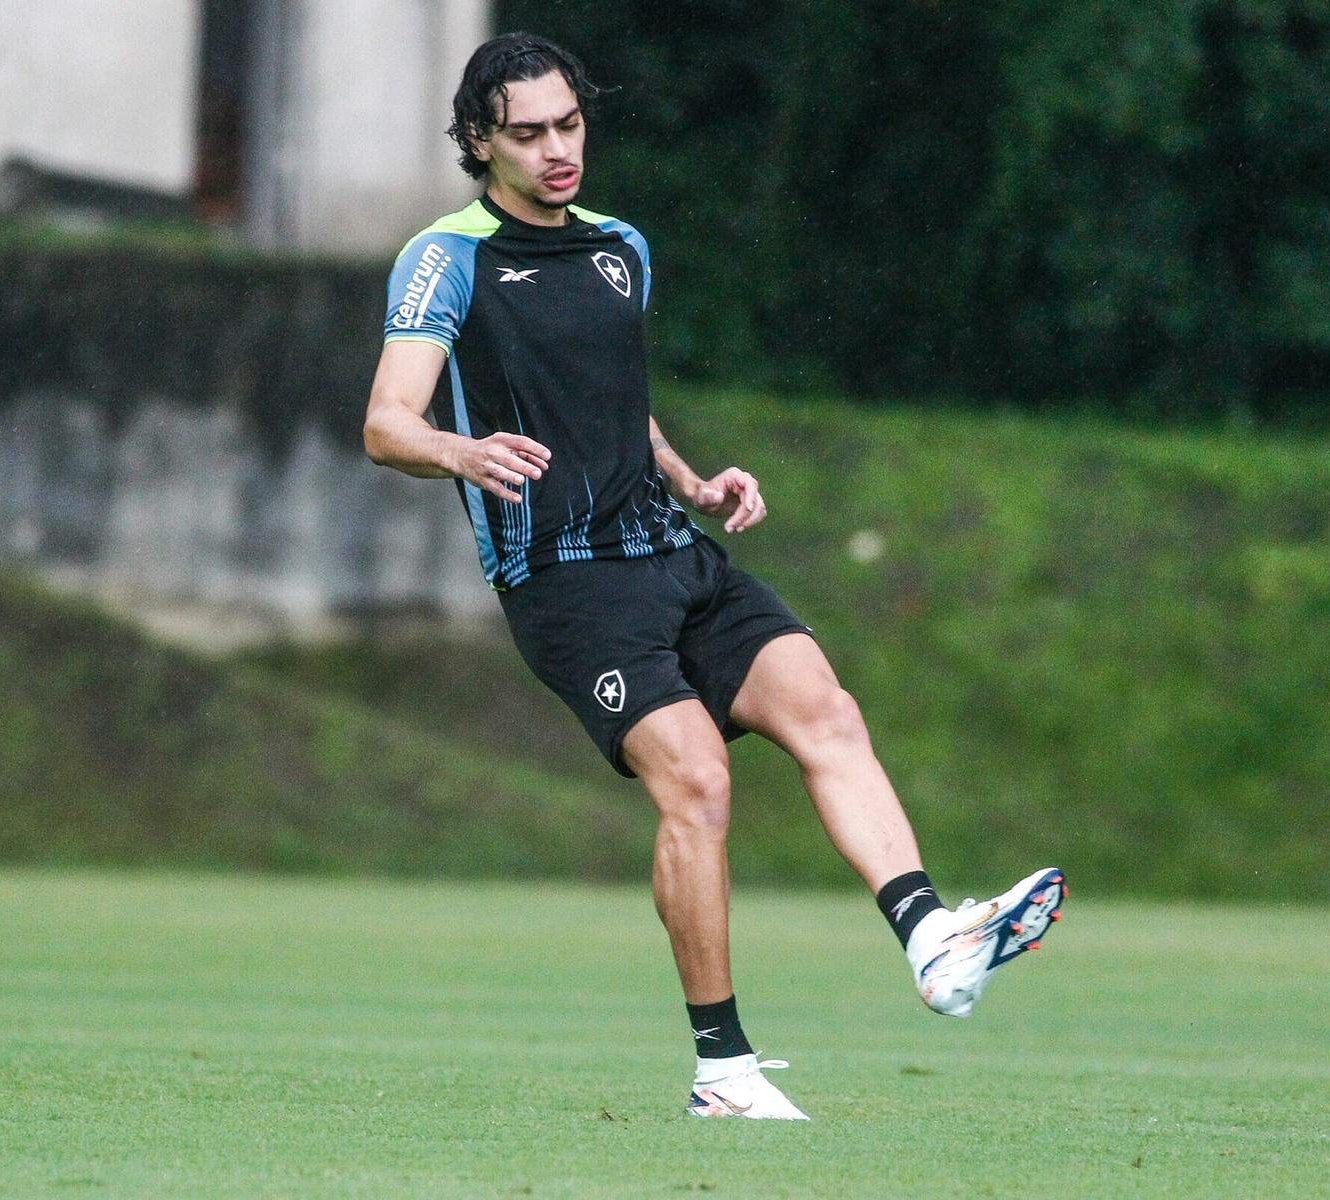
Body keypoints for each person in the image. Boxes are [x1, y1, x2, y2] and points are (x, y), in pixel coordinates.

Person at [362, 33, 1064, 1121]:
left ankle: (935, 940)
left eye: (571, 124)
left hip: (671, 554)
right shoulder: (447, 259)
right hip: (565, 583)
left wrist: (691, 479)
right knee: (698, 781)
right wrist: (465, 452)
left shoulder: (620, 249)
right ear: (478, 142)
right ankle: (724, 1072)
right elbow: (385, 423)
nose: (558, 149)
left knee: (824, 708)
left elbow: (611, 402)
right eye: (530, 132)